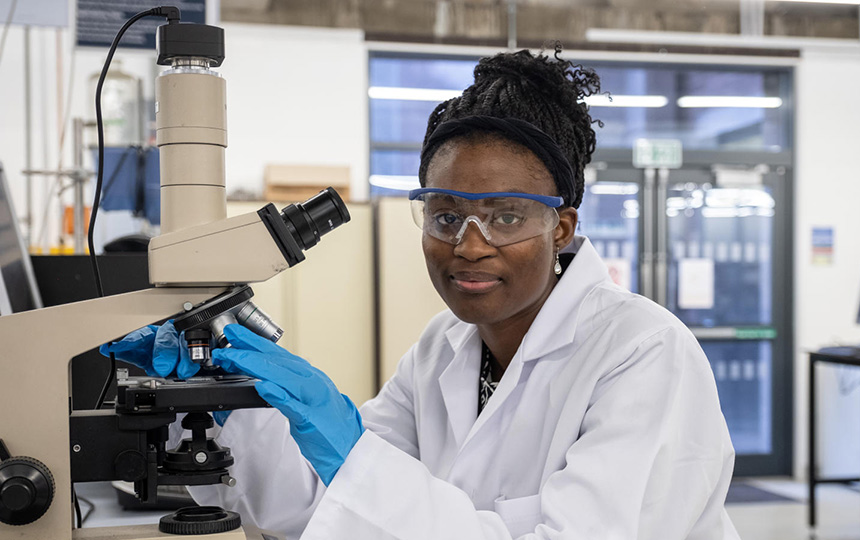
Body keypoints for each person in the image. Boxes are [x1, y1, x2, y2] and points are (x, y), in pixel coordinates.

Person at [104, 47, 740, 540]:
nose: (468, 244)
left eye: (507, 217)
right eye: (444, 215)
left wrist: (351, 452)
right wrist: (239, 412)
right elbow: (328, 509)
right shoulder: (444, 350)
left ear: (562, 227)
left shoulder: (645, 353)